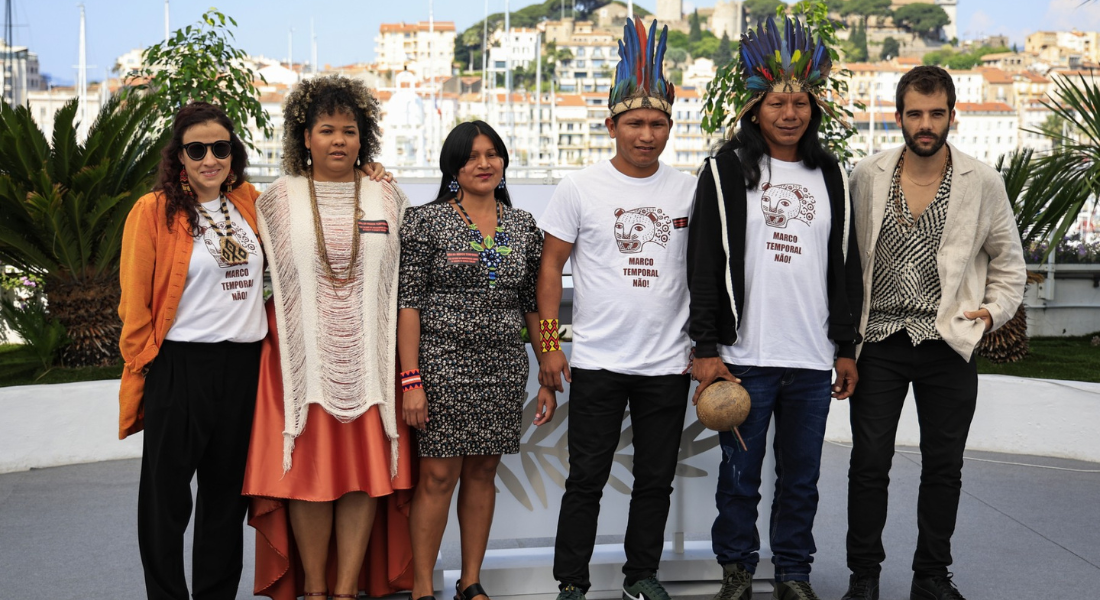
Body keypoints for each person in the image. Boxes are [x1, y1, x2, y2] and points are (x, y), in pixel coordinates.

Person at [688, 16, 863, 600]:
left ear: (813, 108)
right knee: (739, 479)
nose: (789, 114)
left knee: (802, 481)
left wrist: (845, 348)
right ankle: (737, 572)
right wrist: (708, 347)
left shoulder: (830, 173)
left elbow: (845, 265)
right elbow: (704, 265)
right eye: (776, 103)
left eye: (799, 103)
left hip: (812, 359)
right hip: (745, 357)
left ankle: (794, 573)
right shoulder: (723, 171)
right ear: (753, 109)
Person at [840, 66, 1026, 600]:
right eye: (915, 114)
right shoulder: (866, 175)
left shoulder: (982, 180)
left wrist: (989, 314)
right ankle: (864, 578)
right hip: (878, 342)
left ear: (951, 116)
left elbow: (1009, 265)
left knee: (944, 466)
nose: (926, 124)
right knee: (869, 463)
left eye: (936, 113)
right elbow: (847, 260)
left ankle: (931, 576)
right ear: (899, 117)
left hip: (949, 343)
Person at [538, 19, 697, 600]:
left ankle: (641, 576)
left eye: (658, 123)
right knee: (586, 479)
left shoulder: (689, 189)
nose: (647, 134)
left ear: (670, 127)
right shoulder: (579, 188)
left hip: (668, 363)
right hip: (599, 360)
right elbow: (550, 269)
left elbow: (704, 275)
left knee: (656, 481)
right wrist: (552, 345)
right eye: (635, 122)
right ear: (611, 126)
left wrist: (703, 349)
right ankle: (572, 583)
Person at [241, 75, 414, 600]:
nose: (339, 140)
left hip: (372, 358)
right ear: (305, 137)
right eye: (326, 130)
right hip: (297, 362)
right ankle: (314, 591)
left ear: (365, 139)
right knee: (308, 479)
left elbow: (407, 280)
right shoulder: (273, 201)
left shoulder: (387, 195)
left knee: (363, 476)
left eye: (350, 130)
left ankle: (344, 591)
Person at [399, 120, 555, 600]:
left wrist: (548, 361)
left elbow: (533, 303)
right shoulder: (425, 221)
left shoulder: (523, 224)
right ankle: (423, 586)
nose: (483, 164)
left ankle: (471, 581)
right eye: (471, 157)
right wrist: (410, 380)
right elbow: (409, 304)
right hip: (441, 364)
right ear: (453, 167)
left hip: (504, 367)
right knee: (439, 475)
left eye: (492, 154)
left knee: (484, 472)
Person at [118, 101, 266, 600]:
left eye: (220, 148)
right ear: (179, 156)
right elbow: (134, 303)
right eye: (197, 149)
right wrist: (148, 367)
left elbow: (311, 201)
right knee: (165, 500)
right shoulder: (154, 211)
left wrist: (370, 172)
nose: (210, 159)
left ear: (233, 153)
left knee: (226, 498)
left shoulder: (249, 201)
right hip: (180, 366)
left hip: (243, 366)